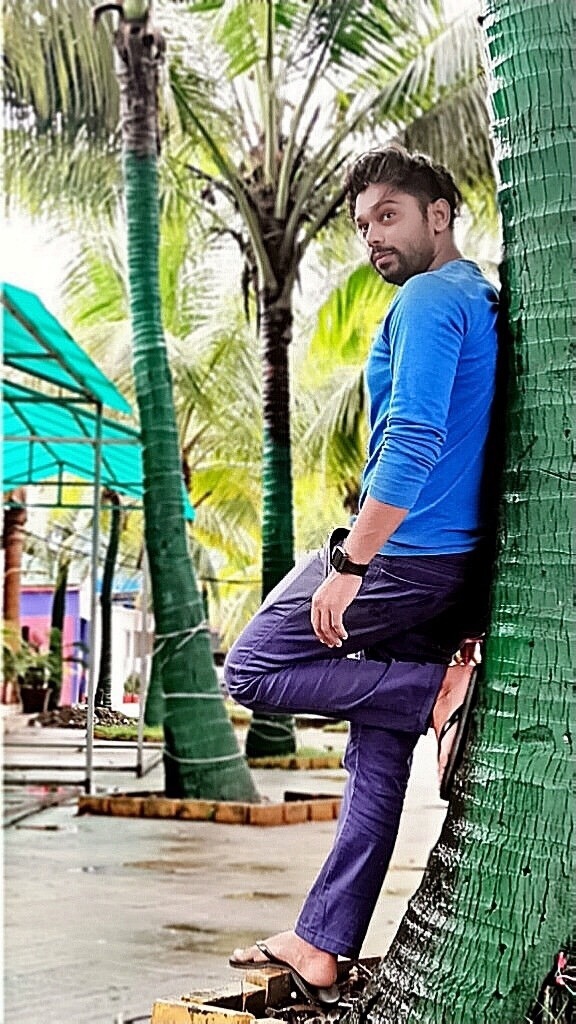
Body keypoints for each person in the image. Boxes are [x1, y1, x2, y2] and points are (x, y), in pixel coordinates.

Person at [225, 145, 499, 1007]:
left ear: (439, 215)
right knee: (375, 757)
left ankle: (433, 694)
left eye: (389, 215)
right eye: (361, 224)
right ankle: (322, 942)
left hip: (405, 554)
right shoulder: (480, 296)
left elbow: (413, 439)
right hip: (450, 564)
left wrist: (350, 564)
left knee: (251, 667)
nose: (373, 236)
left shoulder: (428, 298)